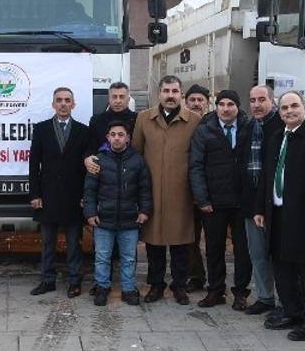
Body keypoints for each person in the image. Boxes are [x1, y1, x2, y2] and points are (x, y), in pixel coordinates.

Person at [257, 90, 305, 340]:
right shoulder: (277, 136)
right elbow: (268, 174)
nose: (289, 111)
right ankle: (292, 311)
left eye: (294, 106)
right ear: (279, 112)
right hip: (278, 213)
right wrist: (261, 208)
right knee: (282, 266)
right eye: (284, 108)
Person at [124, 75, 201, 304]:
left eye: (175, 91)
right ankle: (156, 285)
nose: (170, 95)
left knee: (181, 244)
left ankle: (180, 286)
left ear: (181, 95)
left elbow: (199, 157)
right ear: (159, 93)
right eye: (166, 91)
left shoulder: (194, 120)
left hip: (182, 193)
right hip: (152, 192)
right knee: (154, 243)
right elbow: (136, 155)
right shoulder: (144, 119)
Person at [189, 89, 252, 310]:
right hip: (213, 202)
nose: (226, 109)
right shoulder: (204, 131)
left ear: (237, 107)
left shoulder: (249, 128)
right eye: (222, 104)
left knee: (243, 250)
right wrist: (202, 198)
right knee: (214, 249)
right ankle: (215, 290)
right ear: (216, 106)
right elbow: (196, 166)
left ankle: (241, 292)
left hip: (242, 201)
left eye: (230, 104)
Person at [28, 87, 91, 297]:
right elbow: (33, 164)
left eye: (67, 100)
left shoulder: (83, 131)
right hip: (48, 196)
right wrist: (35, 194)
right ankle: (47, 280)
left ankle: (75, 281)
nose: (63, 104)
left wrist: (86, 196)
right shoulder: (41, 129)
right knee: (48, 243)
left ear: (73, 104)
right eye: (59, 100)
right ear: (53, 104)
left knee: (74, 243)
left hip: (74, 196)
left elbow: (88, 169)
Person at [84, 120, 152, 307]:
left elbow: (145, 189)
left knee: (129, 258)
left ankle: (128, 289)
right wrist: (90, 212)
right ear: (108, 137)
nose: (116, 138)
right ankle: (102, 287)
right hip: (103, 219)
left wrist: (144, 211)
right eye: (113, 134)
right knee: (102, 257)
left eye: (121, 135)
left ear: (128, 138)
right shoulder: (99, 160)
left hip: (130, 219)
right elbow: (89, 190)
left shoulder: (137, 160)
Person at [238, 84, 282, 316]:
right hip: (251, 202)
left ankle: (286, 301)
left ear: (272, 101)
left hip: (276, 203)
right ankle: (265, 297)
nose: (256, 104)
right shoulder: (247, 127)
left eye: (262, 99)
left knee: (280, 255)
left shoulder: (282, 126)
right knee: (257, 254)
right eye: (253, 100)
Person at [183, 83, 212, 292]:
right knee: (189, 238)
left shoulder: (215, 124)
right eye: (192, 100)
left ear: (207, 103)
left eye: (200, 100)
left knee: (213, 239)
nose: (196, 103)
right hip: (186, 192)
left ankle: (216, 279)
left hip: (211, 192)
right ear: (186, 102)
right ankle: (195, 276)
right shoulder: (182, 124)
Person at [87, 81, 136, 152]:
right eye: (114, 97)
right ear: (109, 99)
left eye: (122, 97)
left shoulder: (137, 120)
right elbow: (91, 147)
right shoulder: (96, 121)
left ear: (128, 100)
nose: (118, 101)